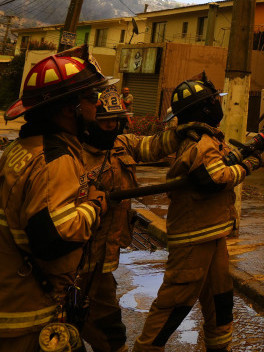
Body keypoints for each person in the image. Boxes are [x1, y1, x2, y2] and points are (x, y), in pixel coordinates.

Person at [0, 47, 113, 352]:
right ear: (68, 108)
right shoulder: (55, 159)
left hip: (2, 306)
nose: (97, 105)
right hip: (28, 318)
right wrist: (94, 206)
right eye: (90, 97)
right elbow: (54, 238)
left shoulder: (24, 147)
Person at [132, 75, 263, 352]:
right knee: (174, 304)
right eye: (214, 101)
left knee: (220, 300)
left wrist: (246, 152)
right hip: (194, 236)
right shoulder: (200, 142)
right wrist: (250, 165)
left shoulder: (200, 137)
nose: (218, 105)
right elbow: (216, 178)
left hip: (212, 233)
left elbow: (219, 162)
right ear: (204, 109)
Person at [77, 88, 180, 352]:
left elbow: (153, 145)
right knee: (101, 330)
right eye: (104, 121)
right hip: (77, 263)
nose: (111, 126)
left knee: (98, 326)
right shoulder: (73, 157)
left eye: (115, 121)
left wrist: (184, 132)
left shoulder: (121, 144)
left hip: (104, 262)